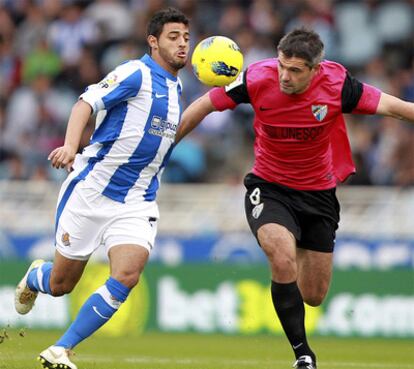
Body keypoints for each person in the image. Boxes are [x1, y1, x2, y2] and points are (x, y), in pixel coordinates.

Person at [175, 28, 414, 369]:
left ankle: (295, 278)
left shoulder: (339, 85)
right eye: (282, 66)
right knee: (281, 254)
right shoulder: (257, 77)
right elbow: (204, 105)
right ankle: (303, 355)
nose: (285, 76)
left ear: (316, 69)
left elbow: (397, 108)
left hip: (318, 196)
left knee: (314, 295)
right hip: (269, 187)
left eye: (295, 70)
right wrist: (165, 146)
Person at [14, 7, 190, 369]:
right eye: (174, 37)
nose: (183, 44)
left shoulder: (177, 88)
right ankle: (35, 275)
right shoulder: (134, 73)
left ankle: (60, 349)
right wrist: (70, 145)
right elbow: (85, 103)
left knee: (127, 275)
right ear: (153, 42)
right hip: (91, 191)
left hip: (137, 200)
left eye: (187, 38)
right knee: (61, 283)